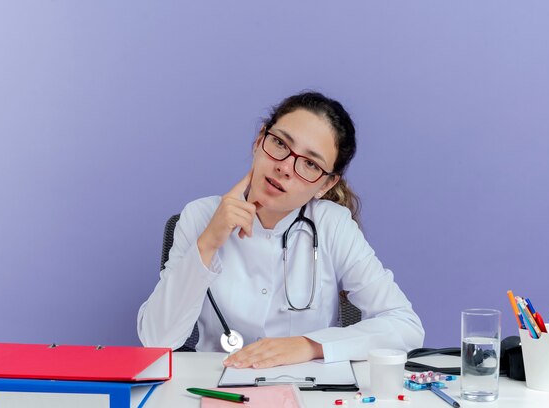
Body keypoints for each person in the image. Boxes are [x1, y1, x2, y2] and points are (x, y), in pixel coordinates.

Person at [137, 91, 424, 369]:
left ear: (325, 184)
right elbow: (156, 341)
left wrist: (309, 345)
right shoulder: (199, 216)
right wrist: (208, 244)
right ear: (259, 140)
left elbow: (405, 326)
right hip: (214, 385)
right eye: (280, 144)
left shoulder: (333, 224)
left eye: (310, 164)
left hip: (306, 388)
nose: (285, 167)